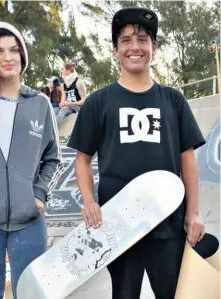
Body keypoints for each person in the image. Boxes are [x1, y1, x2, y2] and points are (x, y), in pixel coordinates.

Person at [67, 7, 206, 299]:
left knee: (172, 294)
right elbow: (82, 159)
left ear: (153, 47)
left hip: (168, 223)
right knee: (125, 294)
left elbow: (188, 159)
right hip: (117, 224)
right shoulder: (98, 102)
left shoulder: (173, 99)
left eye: (143, 39)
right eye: (126, 40)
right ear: (116, 50)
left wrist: (193, 212)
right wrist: (90, 201)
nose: (135, 47)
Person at [0, 21, 63, 299]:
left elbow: (53, 159)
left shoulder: (40, 104)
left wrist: (39, 195)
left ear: (23, 56)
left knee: (31, 294)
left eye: (13, 50)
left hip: (29, 220)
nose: (7, 57)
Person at [56, 62, 86, 126]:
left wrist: (69, 103)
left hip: (78, 107)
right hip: (69, 106)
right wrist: (61, 103)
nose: (61, 71)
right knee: (57, 110)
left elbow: (84, 101)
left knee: (64, 110)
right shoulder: (65, 84)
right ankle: (48, 129)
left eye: (62, 69)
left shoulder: (78, 82)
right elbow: (64, 96)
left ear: (68, 70)